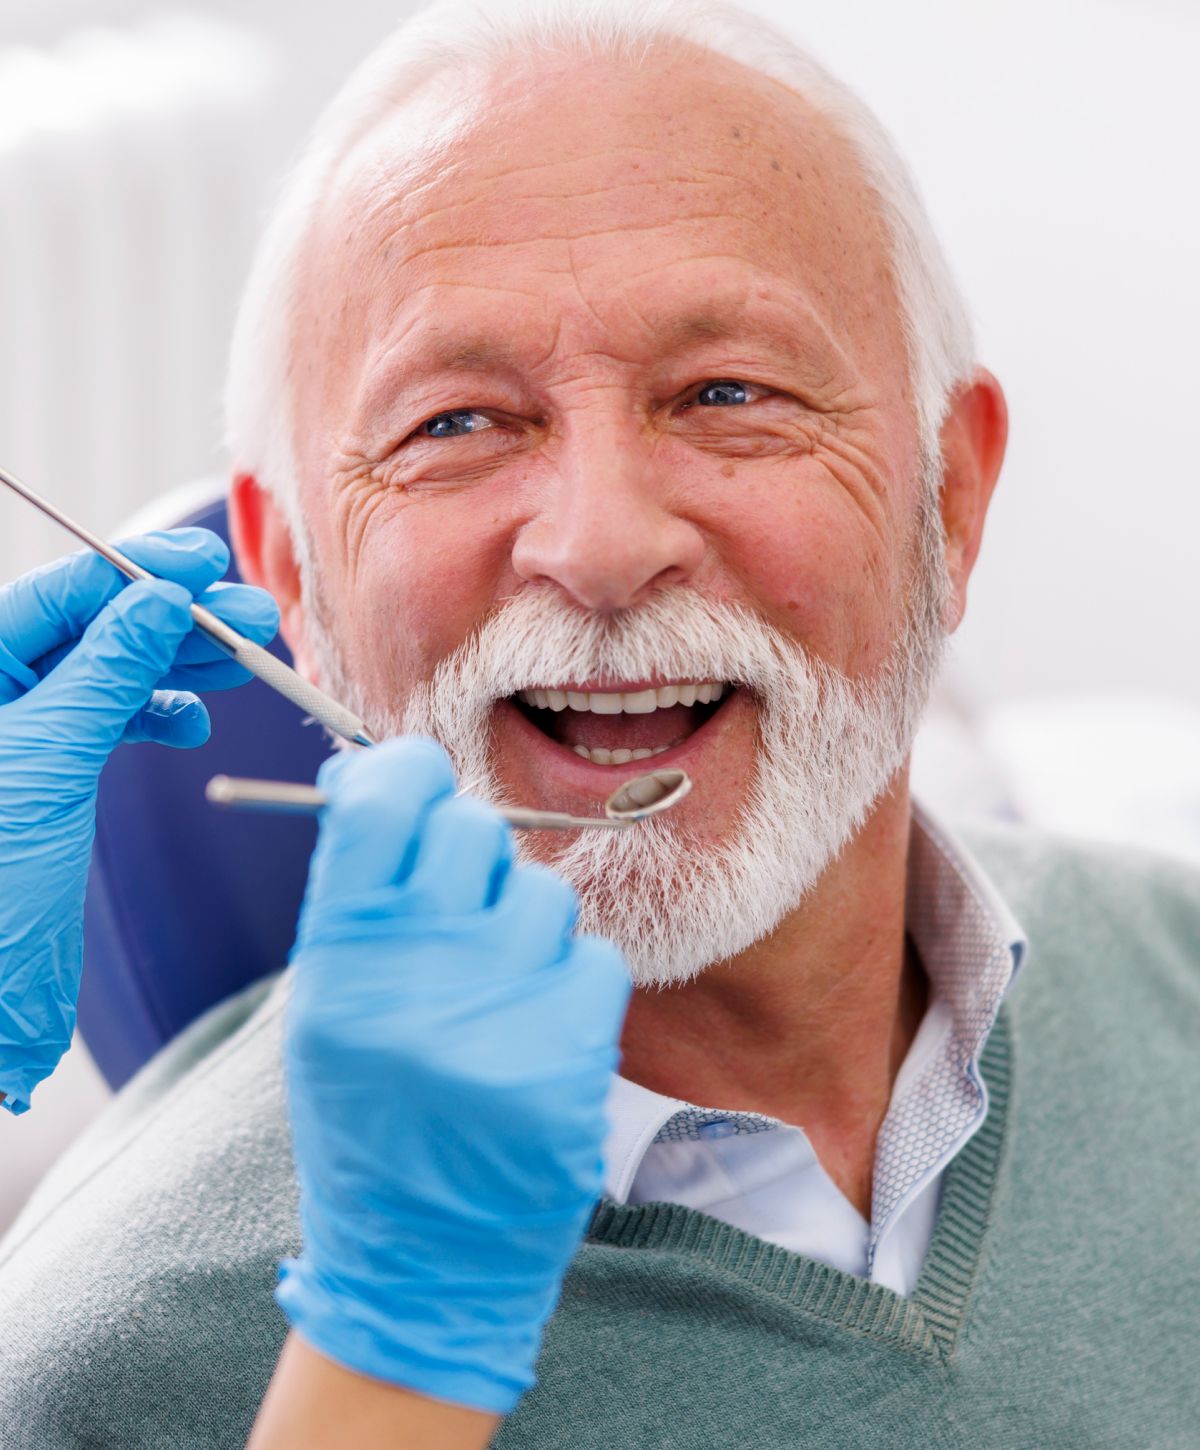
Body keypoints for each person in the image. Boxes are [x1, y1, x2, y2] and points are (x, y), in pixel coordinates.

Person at [2, 0, 1198, 1445]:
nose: (602, 543)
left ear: (953, 494)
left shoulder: (1175, 966)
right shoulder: (118, 1378)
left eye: (726, 392)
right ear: (291, 575)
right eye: (456, 422)